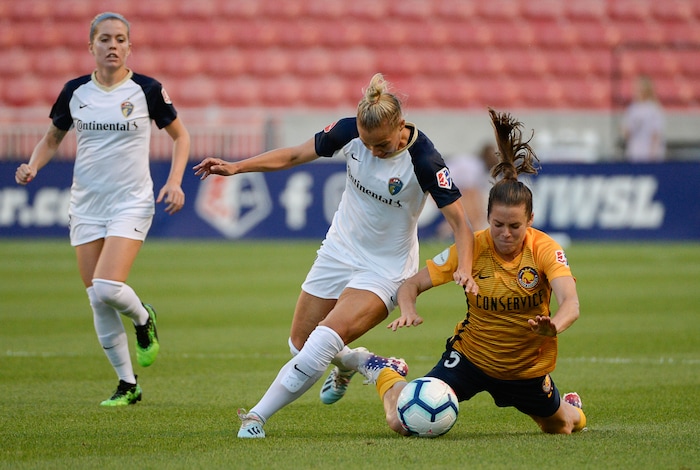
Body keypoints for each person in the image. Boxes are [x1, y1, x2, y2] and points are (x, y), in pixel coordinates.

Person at [193, 73, 479, 438]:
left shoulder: (425, 160)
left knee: (322, 341)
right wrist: (237, 166)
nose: (373, 151)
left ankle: (255, 417)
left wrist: (465, 270)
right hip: (338, 251)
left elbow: (461, 224)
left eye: (381, 144)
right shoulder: (349, 132)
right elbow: (296, 154)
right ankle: (364, 362)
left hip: (384, 269)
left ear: (400, 126)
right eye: (367, 143)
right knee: (299, 343)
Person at [352, 108, 587, 436]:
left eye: (515, 226)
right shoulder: (472, 247)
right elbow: (411, 284)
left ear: (529, 222)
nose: (505, 233)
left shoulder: (544, 249)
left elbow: (570, 303)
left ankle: (570, 406)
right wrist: (408, 308)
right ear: (488, 217)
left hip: (526, 369)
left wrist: (555, 326)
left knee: (562, 427)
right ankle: (385, 371)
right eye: (498, 224)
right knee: (400, 424)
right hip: (470, 360)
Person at [15, 12, 190, 406]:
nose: (113, 46)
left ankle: (144, 317)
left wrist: (175, 181)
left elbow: (181, 137)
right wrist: (33, 165)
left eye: (121, 39)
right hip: (86, 204)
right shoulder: (75, 92)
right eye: (105, 39)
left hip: (130, 201)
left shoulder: (146, 90)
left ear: (130, 46)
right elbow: (51, 138)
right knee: (97, 297)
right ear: (90, 46)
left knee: (108, 286)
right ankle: (128, 385)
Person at [436, 142, 498, 237]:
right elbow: (469, 194)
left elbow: (476, 194)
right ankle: (474, 236)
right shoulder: (474, 167)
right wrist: (475, 215)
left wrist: (479, 213)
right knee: (465, 214)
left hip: (446, 186)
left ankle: (444, 233)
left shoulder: (478, 167)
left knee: (465, 215)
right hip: (440, 185)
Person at [621, 75, 665, 162]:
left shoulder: (653, 109)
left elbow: (656, 133)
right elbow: (626, 132)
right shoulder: (633, 109)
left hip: (649, 154)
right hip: (634, 153)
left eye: (639, 88)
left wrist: (653, 154)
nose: (636, 91)